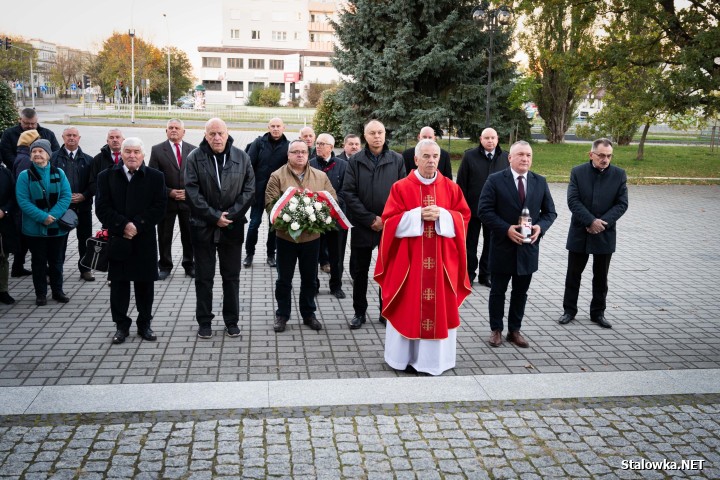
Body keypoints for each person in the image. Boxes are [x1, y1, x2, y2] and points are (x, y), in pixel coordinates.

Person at [375, 139, 471, 375]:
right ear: (415, 159)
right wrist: (416, 215)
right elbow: (388, 223)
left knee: (439, 307)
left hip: (441, 265)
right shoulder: (401, 187)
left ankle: (434, 362)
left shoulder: (451, 188)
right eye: (426, 156)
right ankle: (402, 359)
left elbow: (464, 218)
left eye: (435, 156)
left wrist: (444, 215)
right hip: (410, 265)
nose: (431, 161)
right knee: (407, 307)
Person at [478, 140, 557, 348]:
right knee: (497, 291)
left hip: (528, 248)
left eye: (529, 155)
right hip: (503, 247)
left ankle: (515, 330)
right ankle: (496, 329)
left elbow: (550, 212)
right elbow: (484, 211)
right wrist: (506, 229)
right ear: (510, 158)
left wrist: (541, 227)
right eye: (520, 154)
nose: (525, 159)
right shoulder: (495, 180)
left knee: (520, 292)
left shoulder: (539, 181)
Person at [185, 118, 255, 339]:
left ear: (227, 134)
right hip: (203, 226)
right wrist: (214, 217)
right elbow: (191, 191)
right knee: (204, 277)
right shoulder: (195, 157)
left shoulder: (241, 157)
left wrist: (230, 215)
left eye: (220, 133)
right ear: (205, 135)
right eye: (212, 134)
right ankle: (204, 321)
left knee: (231, 277)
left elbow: (249, 189)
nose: (216, 138)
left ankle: (231, 321)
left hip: (232, 227)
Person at [95, 137, 167, 344]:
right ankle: (121, 326)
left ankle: (144, 324)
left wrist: (137, 225)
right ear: (121, 154)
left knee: (145, 285)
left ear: (143, 155)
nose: (132, 155)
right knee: (119, 286)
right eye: (128, 151)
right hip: (118, 240)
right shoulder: (106, 176)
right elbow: (101, 208)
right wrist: (123, 225)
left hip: (143, 240)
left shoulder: (156, 177)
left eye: (136, 151)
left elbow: (159, 207)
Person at [265, 140, 336, 333]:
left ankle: (308, 313)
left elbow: (332, 200)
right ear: (288, 155)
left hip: (311, 239)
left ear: (308, 154)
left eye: (303, 152)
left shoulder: (320, 176)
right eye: (295, 152)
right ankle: (282, 314)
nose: (299, 155)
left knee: (310, 279)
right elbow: (270, 204)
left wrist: (315, 216)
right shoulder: (277, 176)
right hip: (286, 238)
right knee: (283, 279)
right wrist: (289, 218)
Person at [560, 138, 629, 329]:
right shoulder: (578, 172)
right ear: (591, 155)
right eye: (601, 155)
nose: (605, 159)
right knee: (573, 274)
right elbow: (573, 201)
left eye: (609, 156)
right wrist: (590, 221)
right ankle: (569, 310)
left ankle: (598, 313)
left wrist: (602, 224)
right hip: (580, 231)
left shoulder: (619, 174)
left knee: (601, 276)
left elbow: (622, 204)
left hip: (605, 233)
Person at [343, 119, 406, 329]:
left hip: (390, 226)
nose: (377, 136)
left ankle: (385, 311)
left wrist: (386, 219)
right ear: (365, 135)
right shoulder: (355, 160)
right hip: (364, 225)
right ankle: (359, 312)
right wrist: (370, 219)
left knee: (388, 271)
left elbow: (403, 193)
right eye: (372, 133)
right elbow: (348, 193)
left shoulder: (397, 160)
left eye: (380, 132)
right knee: (360, 271)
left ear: (385, 134)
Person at [15, 139, 72, 306]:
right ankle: (41, 294)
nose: (37, 154)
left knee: (56, 261)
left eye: (41, 151)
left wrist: (52, 216)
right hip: (34, 228)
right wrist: (42, 217)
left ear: (48, 154)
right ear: (31, 156)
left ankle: (57, 291)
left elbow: (66, 196)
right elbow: (23, 201)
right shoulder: (24, 176)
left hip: (56, 228)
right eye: (34, 152)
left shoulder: (59, 173)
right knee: (38, 262)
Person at [457, 127, 509, 288]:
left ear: (498, 139)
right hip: (472, 209)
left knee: (491, 244)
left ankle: (486, 275)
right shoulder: (469, 156)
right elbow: (461, 183)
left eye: (493, 138)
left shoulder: (505, 157)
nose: (490, 141)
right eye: (486, 138)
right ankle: (469, 274)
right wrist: (461, 207)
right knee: (470, 244)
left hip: (494, 211)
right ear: (481, 139)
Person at [149, 119, 197, 280]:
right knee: (164, 235)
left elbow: (198, 177)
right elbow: (153, 178)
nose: (173, 130)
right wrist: (169, 192)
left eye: (177, 128)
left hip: (187, 201)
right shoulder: (157, 150)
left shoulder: (193, 150)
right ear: (166, 131)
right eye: (170, 128)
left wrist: (187, 193)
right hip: (166, 201)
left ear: (184, 132)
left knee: (189, 235)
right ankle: (164, 265)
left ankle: (189, 264)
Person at [50, 127, 95, 281]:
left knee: (85, 240)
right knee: (59, 242)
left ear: (79, 138)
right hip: (61, 209)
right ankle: (55, 271)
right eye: (68, 135)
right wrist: (63, 198)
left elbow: (94, 183)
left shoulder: (89, 159)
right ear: (62, 137)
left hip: (83, 207)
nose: (71, 138)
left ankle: (85, 269)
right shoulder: (53, 158)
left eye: (74, 135)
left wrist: (84, 195)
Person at [244, 117, 289, 268]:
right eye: (273, 126)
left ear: (284, 128)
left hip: (277, 193)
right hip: (258, 191)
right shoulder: (259, 143)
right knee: (254, 224)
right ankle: (249, 254)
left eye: (278, 126)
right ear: (268, 127)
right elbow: (248, 166)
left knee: (274, 225)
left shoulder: (288, 146)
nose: (276, 129)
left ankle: (271, 255)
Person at [309, 133, 348, 299]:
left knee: (336, 254)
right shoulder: (309, 164)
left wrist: (331, 204)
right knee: (314, 253)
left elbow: (346, 190)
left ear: (331, 147)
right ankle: (313, 285)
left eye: (322, 144)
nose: (318, 146)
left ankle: (336, 285)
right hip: (314, 218)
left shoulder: (343, 165)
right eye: (317, 143)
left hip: (337, 218)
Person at [9, 129, 40, 278]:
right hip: (25, 208)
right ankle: (20, 267)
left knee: (24, 240)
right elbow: (25, 184)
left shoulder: (21, 156)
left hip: (21, 208)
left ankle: (17, 267)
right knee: (27, 240)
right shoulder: (27, 159)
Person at [89, 128, 125, 200]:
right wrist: (104, 195)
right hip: (105, 201)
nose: (115, 140)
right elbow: (92, 183)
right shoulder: (98, 159)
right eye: (111, 138)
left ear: (123, 140)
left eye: (117, 137)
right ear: (107, 141)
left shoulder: (132, 158)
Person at [0, 163, 17, 304]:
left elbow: (13, 196)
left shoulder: (5, 173)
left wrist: (4, 210)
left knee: (2, 258)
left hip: (3, 222)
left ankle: (3, 290)